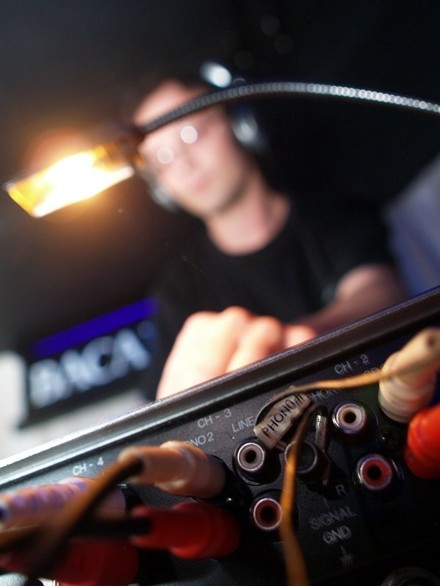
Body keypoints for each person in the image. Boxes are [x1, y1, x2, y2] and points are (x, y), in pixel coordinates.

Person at [133, 76, 405, 400]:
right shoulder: (176, 289)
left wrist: (288, 345)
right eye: (163, 157)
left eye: (191, 134)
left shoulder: (332, 215)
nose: (184, 165)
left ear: (241, 124)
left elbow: (379, 292)